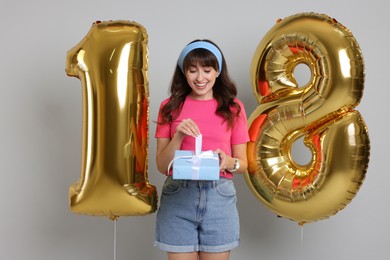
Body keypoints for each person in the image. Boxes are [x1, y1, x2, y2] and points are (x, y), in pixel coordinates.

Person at [154, 39, 249, 260]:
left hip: (219, 196)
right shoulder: (169, 107)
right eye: (192, 70)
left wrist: (228, 162)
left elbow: (244, 163)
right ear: (184, 72)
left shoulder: (233, 108)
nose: (200, 78)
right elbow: (161, 165)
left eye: (207, 70)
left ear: (217, 71)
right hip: (178, 196)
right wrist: (178, 136)